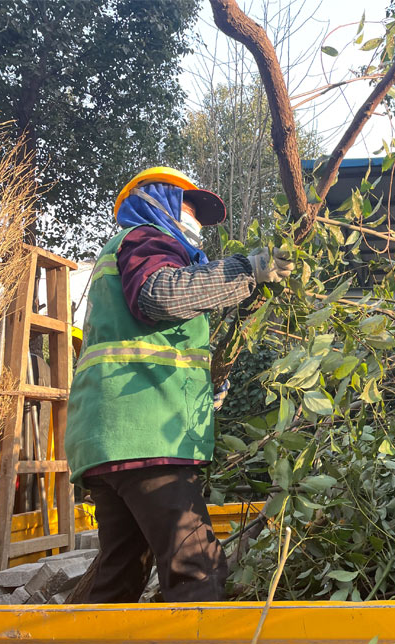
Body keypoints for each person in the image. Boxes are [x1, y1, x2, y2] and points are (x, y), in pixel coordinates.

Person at [64, 167, 293, 602]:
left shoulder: (141, 253)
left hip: (116, 439)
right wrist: (249, 269)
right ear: (155, 199)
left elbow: (151, 342)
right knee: (197, 571)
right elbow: (160, 297)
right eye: (188, 206)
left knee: (121, 574)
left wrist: (204, 388)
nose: (196, 222)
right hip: (144, 438)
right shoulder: (144, 240)